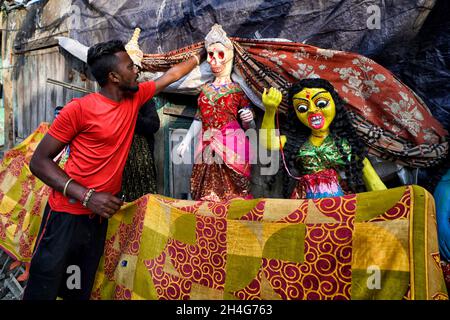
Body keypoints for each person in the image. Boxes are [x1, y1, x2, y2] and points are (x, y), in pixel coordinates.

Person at [23, 39, 203, 300]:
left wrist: (202, 53)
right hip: (66, 215)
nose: (137, 70)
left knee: (77, 288)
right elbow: (39, 161)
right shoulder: (79, 109)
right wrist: (88, 196)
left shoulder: (136, 98)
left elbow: (172, 75)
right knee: (43, 288)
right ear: (114, 76)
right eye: (131, 66)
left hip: (96, 219)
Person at [260, 78, 386, 199]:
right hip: (307, 204)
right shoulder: (296, 142)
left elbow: (373, 182)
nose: (313, 110)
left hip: (338, 203)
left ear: (335, 104)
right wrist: (270, 110)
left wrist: (390, 207)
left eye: (321, 103)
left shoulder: (346, 144)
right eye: (302, 108)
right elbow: (268, 142)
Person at [177, 24, 254, 201]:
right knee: (206, 191)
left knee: (234, 194)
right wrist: (186, 140)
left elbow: (249, 125)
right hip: (206, 144)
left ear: (230, 55)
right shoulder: (204, 90)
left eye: (220, 54)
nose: (214, 60)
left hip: (232, 144)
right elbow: (199, 117)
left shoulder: (238, 90)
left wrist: (248, 120)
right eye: (210, 55)